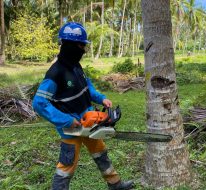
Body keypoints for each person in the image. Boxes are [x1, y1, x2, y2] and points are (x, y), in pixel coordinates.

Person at [32, 22, 134, 190]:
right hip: (71, 128)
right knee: (67, 165)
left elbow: (88, 89)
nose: (83, 49)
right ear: (70, 45)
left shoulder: (77, 66)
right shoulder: (55, 73)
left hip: (89, 122)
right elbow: (39, 103)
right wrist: (66, 120)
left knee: (101, 153)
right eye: (81, 45)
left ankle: (115, 185)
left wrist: (102, 99)